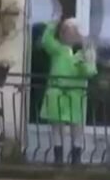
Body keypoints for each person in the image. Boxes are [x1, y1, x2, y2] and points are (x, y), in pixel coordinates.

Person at [40, 17, 98, 165]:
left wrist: (84, 62)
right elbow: (46, 40)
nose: (68, 34)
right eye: (65, 31)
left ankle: (76, 158)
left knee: (76, 128)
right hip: (56, 93)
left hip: (75, 95)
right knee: (56, 128)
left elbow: (90, 72)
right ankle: (58, 158)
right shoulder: (58, 49)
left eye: (72, 31)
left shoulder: (84, 52)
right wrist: (54, 23)